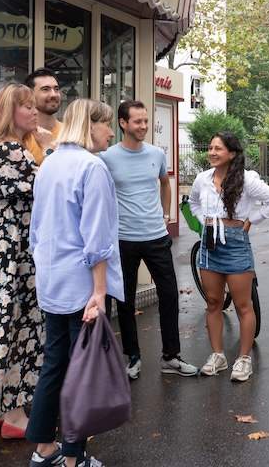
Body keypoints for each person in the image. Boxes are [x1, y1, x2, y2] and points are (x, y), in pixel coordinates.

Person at [26, 99, 124, 467]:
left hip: (52, 280)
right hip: (83, 284)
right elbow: (97, 236)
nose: (111, 133)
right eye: (106, 125)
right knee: (82, 372)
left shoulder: (49, 164)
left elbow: (37, 229)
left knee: (54, 364)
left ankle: (44, 449)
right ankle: (74, 458)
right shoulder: (91, 167)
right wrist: (99, 292)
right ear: (90, 125)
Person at [100, 100, 197, 379]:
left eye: (145, 121)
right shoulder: (107, 158)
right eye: (137, 121)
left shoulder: (156, 153)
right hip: (123, 240)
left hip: (156, 237)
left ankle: (171, 356)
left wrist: (166, 216)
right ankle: (133, 357)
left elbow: (165, 183)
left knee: (169, 295)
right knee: (125, 300)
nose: (143, 126)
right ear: (122, 124)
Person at [0, 83, 42, 439]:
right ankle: (14, 414)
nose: (33, 112)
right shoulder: (13, 151)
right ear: (9, 112)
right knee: (17, 323)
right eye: (27, 107)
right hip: (13, 245)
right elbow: (44, 187)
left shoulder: (0, 149)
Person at [189, 132, 269, 382]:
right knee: (213, 302)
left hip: (235, 244)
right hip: (209, 243)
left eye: (218, 148)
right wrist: (204, 222)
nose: (212, 152)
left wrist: (251, 220)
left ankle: (243, 359)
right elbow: (194, 204)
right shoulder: (202, 179)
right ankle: (218, 355)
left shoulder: (246, 180)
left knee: (244, 305)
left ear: (231, 153)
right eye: (210, 148)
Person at [24, 68, 63, 165]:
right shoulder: (22, 135)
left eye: (56, 89)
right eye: (45, 89)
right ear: (30, 95)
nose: (54, 94)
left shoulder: (69, 133)